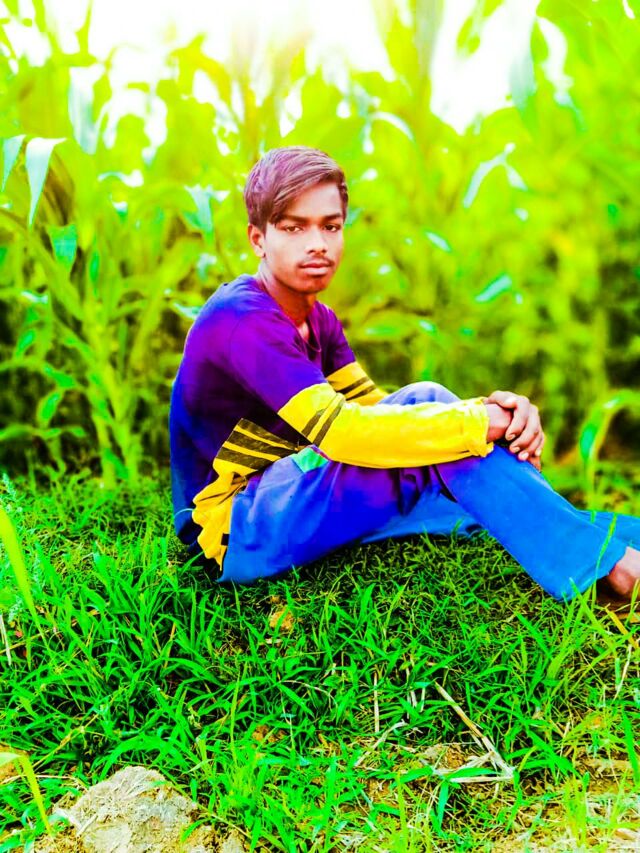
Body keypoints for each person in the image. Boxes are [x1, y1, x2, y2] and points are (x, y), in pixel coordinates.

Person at [169, 146, 640, 601]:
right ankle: (613, 573)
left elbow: (382, 418)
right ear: (258, 239)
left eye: (331, 226)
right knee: (433, 412)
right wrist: (479, 422)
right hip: (233, 526)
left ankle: (615, 549)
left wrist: (496, 414)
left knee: (460, 476)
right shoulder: (243, 319)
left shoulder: (319, 320)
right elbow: (345, 434)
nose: (318, 244)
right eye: (294, 228)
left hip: (293, 491)